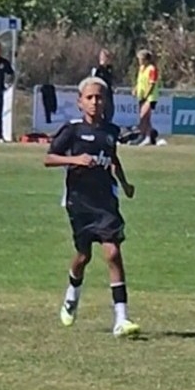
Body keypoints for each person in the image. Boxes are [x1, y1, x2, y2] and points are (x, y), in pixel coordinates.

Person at [43, 76, 140, 339]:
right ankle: (72, 295)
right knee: (83, 256)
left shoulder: (110, 131)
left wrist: (125, 183)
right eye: (90, 97)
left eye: (99, 97)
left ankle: (121, 318)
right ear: (80, 102)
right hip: (79, 202)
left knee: (113, 252)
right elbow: (48, 158)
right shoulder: (72, 130)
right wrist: (76, 159)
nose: (95, 102)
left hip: (105, 200)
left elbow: (113, 158)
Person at [133, 48, 160, 146]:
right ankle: (150, 137)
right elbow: (140, 81)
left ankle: (143, 136)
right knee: (146, 119)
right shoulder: (141, 69)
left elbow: (151, 84)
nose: (139, 61)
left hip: (150, 97)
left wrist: (147, 94)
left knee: (143, 116)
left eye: (141, 59)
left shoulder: (152, 69)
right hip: (142, 96)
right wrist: (136, 89)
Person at [89, 48, 116, 123]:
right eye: (105, 57)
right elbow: (93, 81)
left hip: (108, 95)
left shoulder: (109, 69)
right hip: (100, 94)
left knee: (109, 114)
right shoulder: (97, 69)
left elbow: (112, 80)